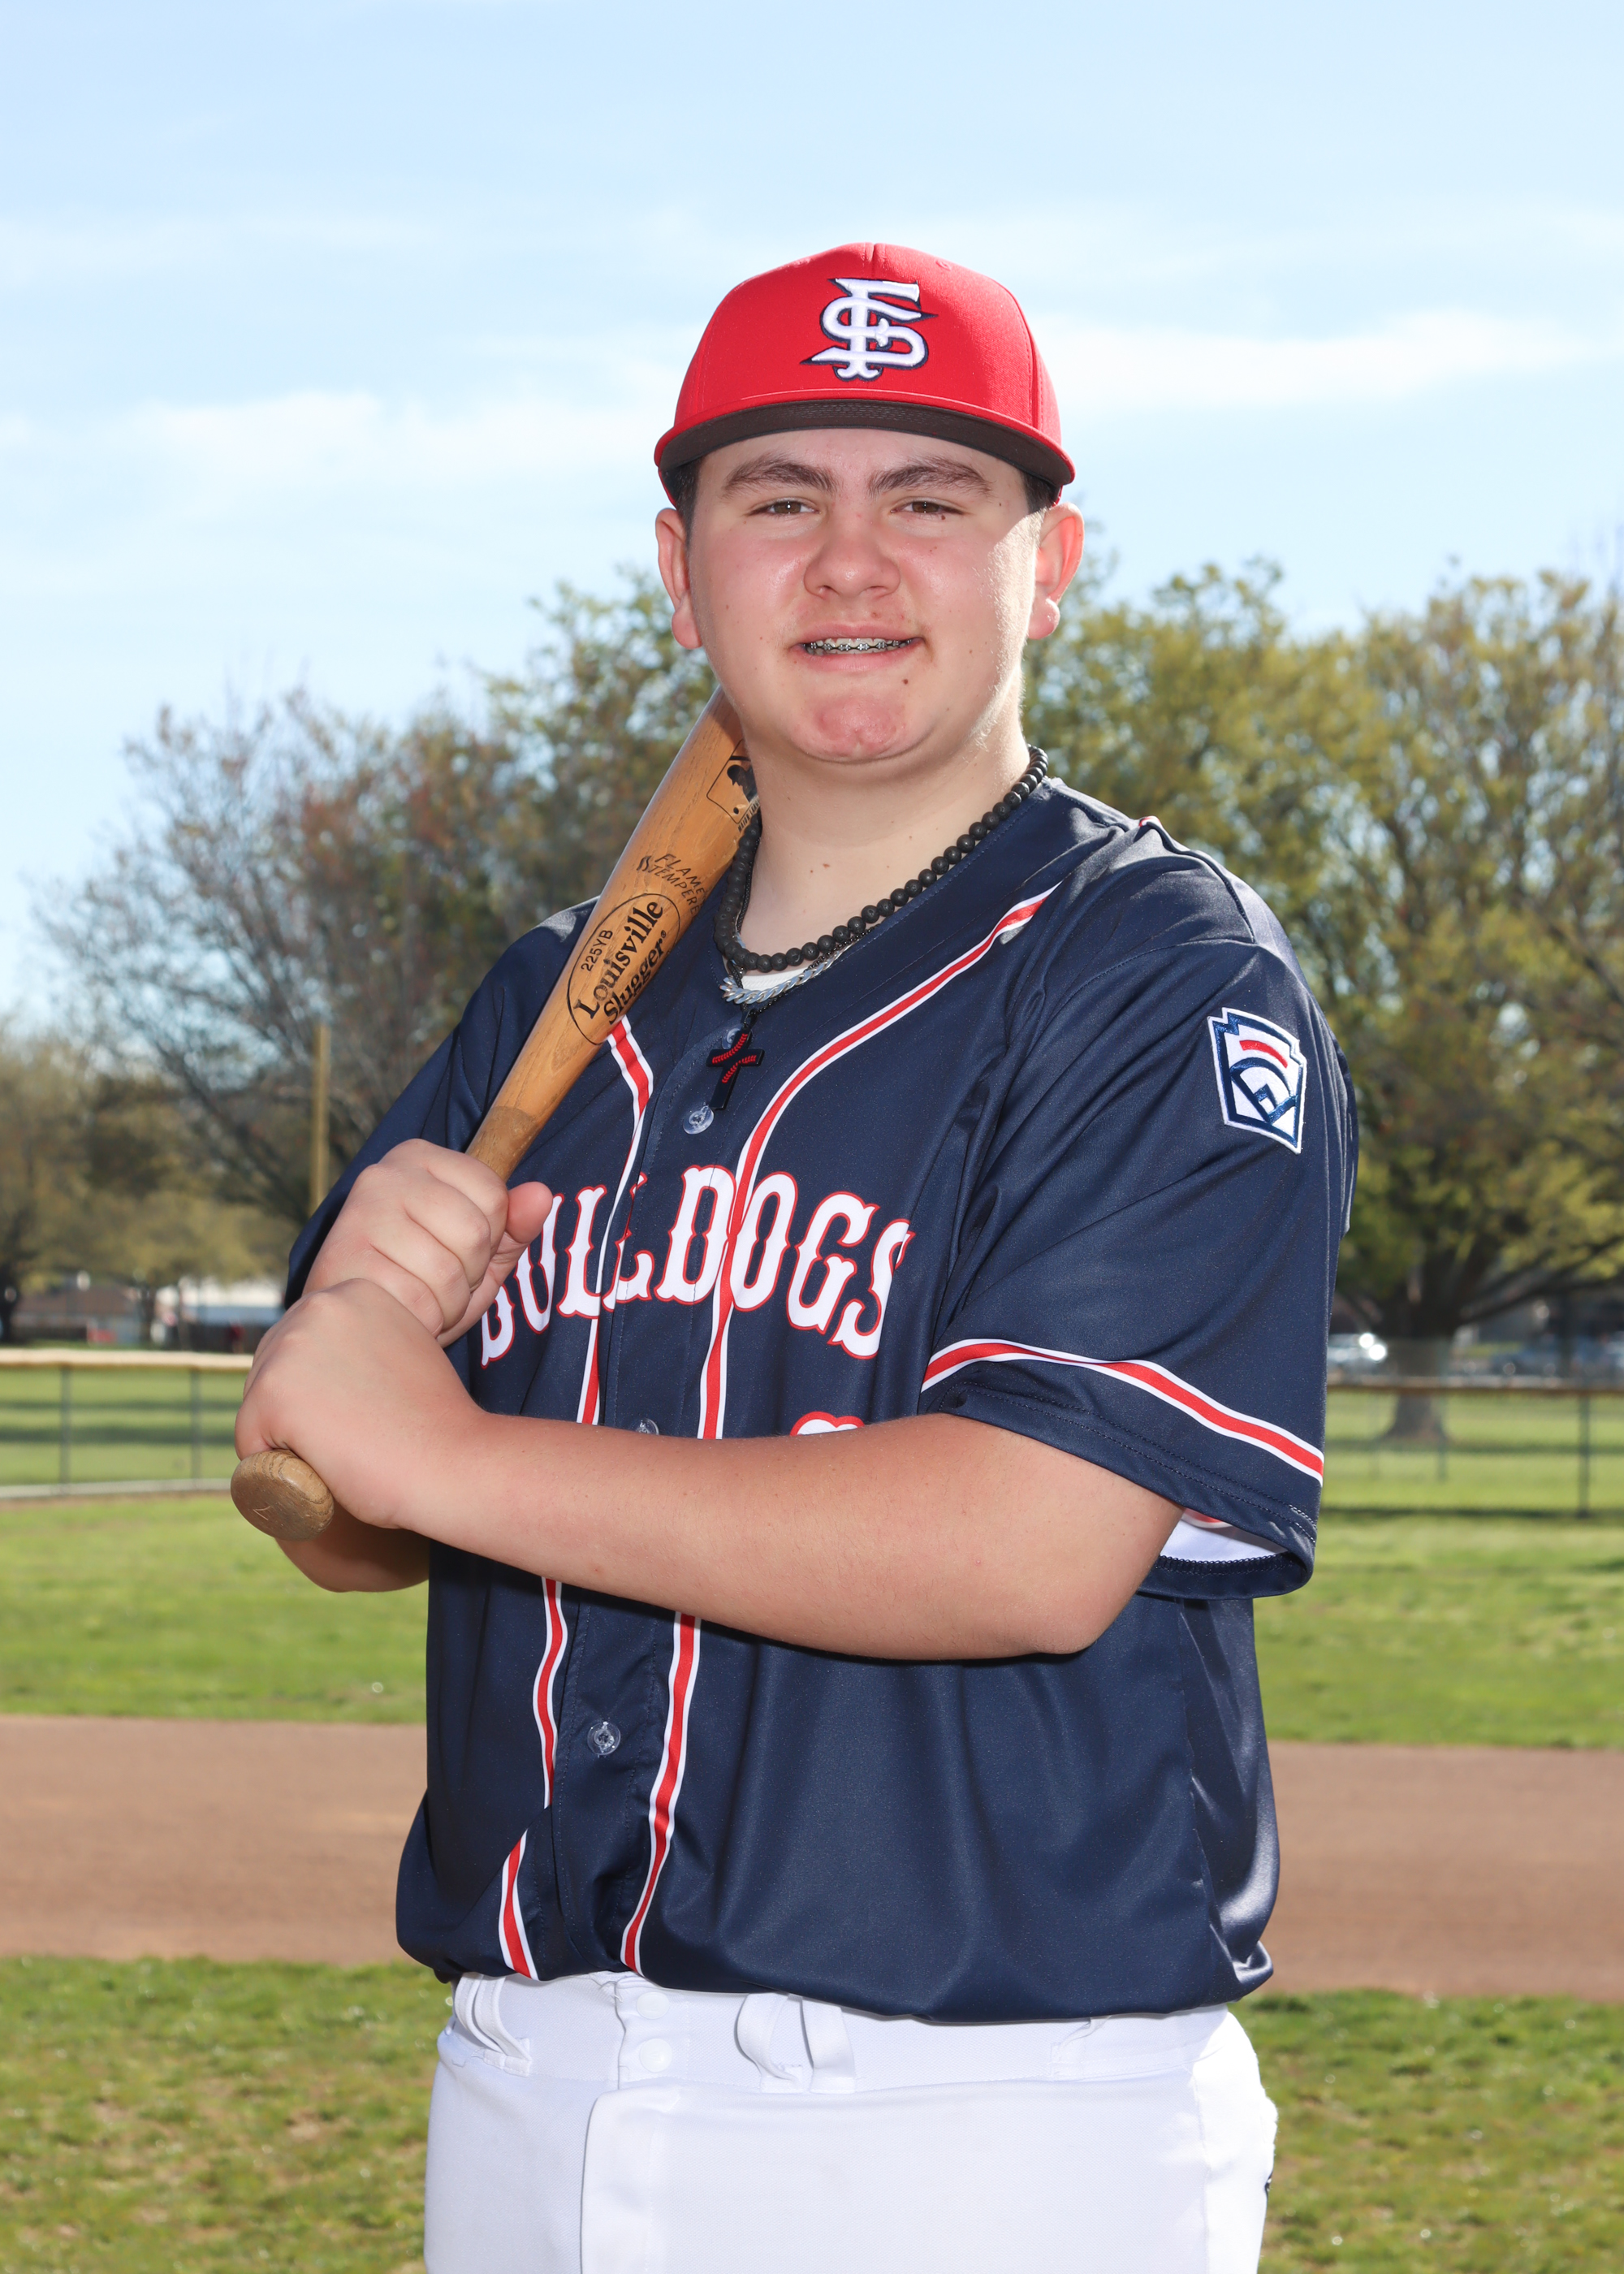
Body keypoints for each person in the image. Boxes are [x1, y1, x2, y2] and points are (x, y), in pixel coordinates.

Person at [240, 243, 1356, 2274]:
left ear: (1048, 562)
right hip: (526, 2067)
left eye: (928, 495)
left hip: (980, 2111)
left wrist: (441, 1451)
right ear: (682, 572)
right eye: (779, 498)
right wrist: (351, 1344)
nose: (851, 559)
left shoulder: (1158, 975)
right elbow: (339, 1507)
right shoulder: (547, 1005)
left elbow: (1025, 1541)